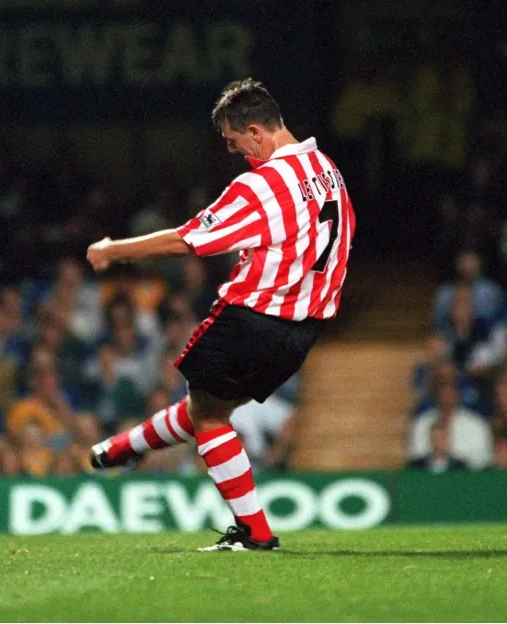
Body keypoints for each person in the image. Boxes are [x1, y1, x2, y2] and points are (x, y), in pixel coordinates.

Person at [84, 80, 356, 551]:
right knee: (209, 407)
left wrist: (116, 250)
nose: (234, 153)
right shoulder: (327, 169)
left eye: (234, 142)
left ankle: (255, 534)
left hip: (254, 315)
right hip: (303, 328)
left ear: (256, 131)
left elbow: (187, 240)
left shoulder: (264, 183)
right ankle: (122, 450)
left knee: (208, 417)